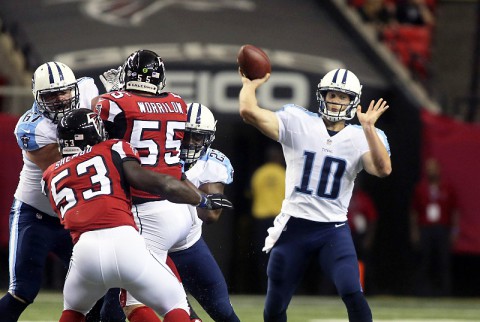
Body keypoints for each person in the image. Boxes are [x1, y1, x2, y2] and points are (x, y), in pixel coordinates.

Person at [41, 108, 233, 322]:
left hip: (84, 253)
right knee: (176, 305)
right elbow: (160, 182)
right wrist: (203, 200)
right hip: (126, 242)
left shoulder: (50, 175)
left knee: (73, 311)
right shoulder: (113, 148)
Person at [238, 67, 391, 322]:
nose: (335, 100)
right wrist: (249, 85)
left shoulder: (361, 135)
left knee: (353, 292)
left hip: (333, 229)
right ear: (322, 95)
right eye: (332, 94)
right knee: (274, 307)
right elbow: (248, 112)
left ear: (353, 101)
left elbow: (383, 169)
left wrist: (369, 129)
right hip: (294, 226)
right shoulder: (298, 121)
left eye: (342, 97)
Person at [0, 61, 118, 322]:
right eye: (52, 95)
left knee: (103, 290)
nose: (61, 99)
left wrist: (116, 100)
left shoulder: (87, 89)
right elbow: (66, 171)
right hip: (36, 215)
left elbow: (111, 116)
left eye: (65, 91)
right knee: (22, 292)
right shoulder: (32, 127)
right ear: (38, 98)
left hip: (74, 218)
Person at [94, 49, 203, 322]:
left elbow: (98, 114)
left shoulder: (113, 102)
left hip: (144, 208)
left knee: (131, 300)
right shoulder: (178, 104)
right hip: (177, 206)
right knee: (168, 286)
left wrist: (115, 91)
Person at [168, 103, 240, 322]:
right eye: (186, 135)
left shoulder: (213, 163)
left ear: (208, 139)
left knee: (223, 312)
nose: (190, 142)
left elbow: (210, 215)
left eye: (197, 137)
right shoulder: (158, 154)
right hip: (152, 248)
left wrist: (178, 178)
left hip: (189, 245)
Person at [409, 157, 458, 296]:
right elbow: (414, 212)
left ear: (439, 169)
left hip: (442, 229)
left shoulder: (447, 187)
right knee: (425, 261)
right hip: (425, 228)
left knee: (444, 261)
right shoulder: (421, 188)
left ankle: (445, 292)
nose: (431, 171)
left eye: (433, 168)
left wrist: (455, 230)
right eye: (428, 168)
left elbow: (455, 211)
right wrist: (415, 232)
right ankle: (423, 292)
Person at [249, 144, 285, 294]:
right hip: (278, 220)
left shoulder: (259, 174)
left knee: (263, 255)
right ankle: (279, 287)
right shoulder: (283, 173)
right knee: (280, 254)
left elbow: (251, 194)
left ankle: (264, 287)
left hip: (260, 219)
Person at [346, 176, 378, 291]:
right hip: (345, 234)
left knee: (362, 263)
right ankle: (330, 291)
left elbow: (372, 220)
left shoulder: (364, 198)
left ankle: (363, 289)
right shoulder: (343, 196)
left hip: (360, 235)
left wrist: (369, 238)